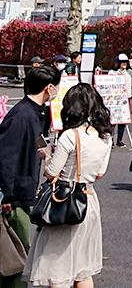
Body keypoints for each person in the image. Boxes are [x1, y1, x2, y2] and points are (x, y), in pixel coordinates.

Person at [23, 84, 113, 288]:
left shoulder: (70, 136)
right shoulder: (105, 136)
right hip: (88, 200)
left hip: (64, 201)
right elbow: (100, 173)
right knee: (82, 270)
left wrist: (47, 155)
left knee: (59, 268)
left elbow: (52, 172)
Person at [0, 65, 59, 288]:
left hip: (22, 192)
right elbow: (5, 158)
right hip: (14, 197)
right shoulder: (22, 116)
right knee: (15, 254)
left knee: (14, 252)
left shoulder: (35, 112)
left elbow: (36, 141)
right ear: (49, 88)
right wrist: (5, 197)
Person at [111, 54, 132, 147]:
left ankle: (119, 140)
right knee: (113, 120)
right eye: (122, 62)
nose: (124, 64)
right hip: (116, 98)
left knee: (123, 120)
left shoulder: (128, 73)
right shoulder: (113, 72)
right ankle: (111, 139)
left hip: (126, 98)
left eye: (125, 62)